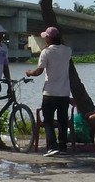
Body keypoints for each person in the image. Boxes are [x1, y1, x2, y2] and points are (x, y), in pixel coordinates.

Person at [25, 25, 73, 156]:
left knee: (48, 121)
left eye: (46, 37)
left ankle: (52, 146)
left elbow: (39, 71)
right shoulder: (68, 51)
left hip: (50, 93)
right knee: (63, 121)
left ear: (49, 39)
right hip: (64, 93)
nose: (45, 39)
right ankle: (62, 147)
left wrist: (29, 73)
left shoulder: (46, 52)